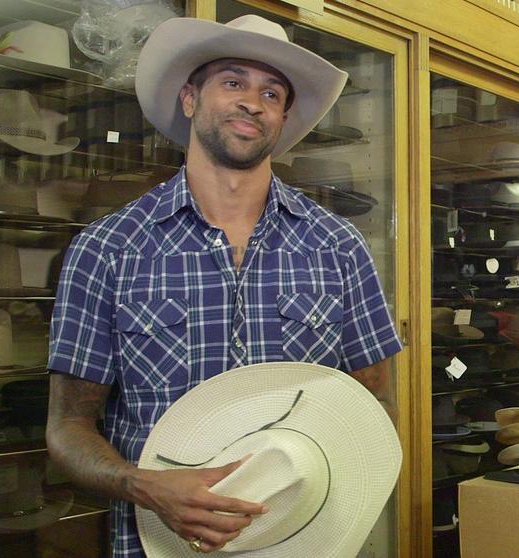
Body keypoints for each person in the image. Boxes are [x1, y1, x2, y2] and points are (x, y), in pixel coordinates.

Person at [45, 15, 402, 557]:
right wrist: (144, 485)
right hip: (157, 544)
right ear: (190, 98)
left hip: (300, 539)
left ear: (282, 118)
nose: (252, 102)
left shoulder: (339, 248)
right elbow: (68, 427)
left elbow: (372, 401)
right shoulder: (108, 250)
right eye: (233, 82)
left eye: (271, 93)